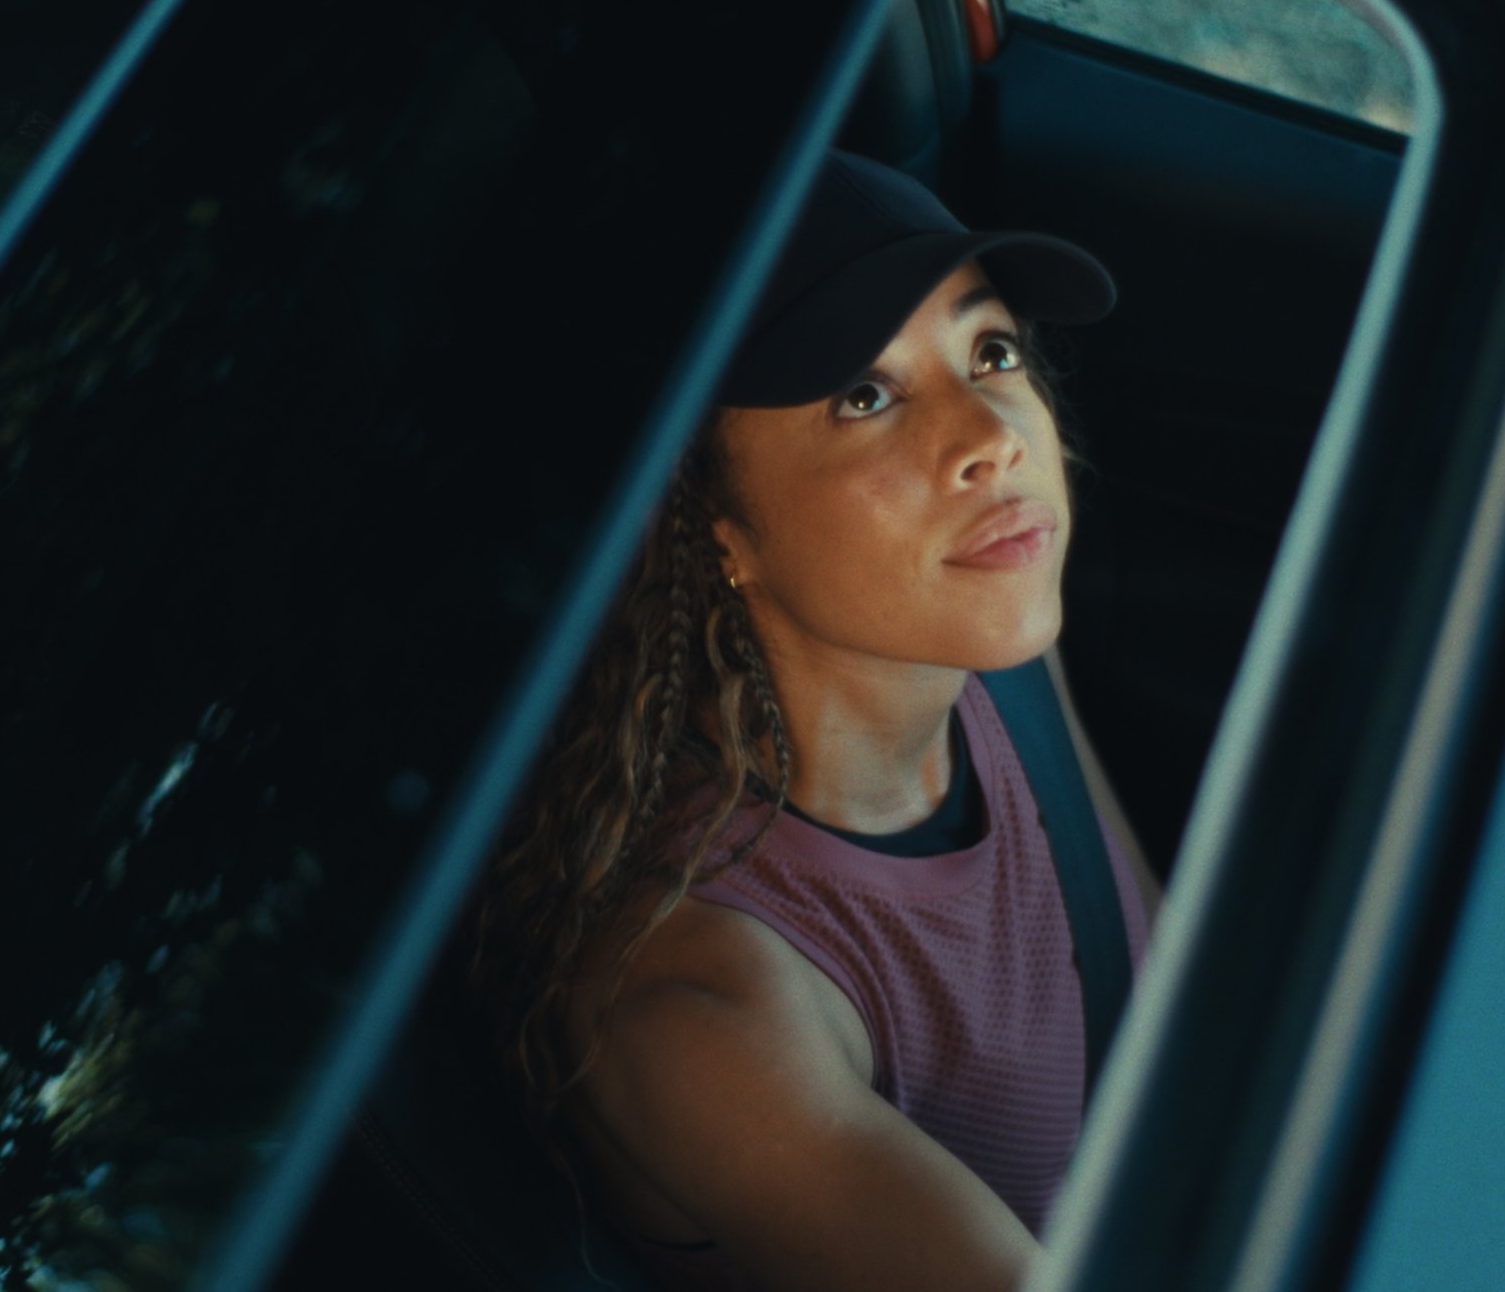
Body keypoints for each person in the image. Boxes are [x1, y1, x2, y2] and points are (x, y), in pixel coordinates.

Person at [476, 149, 1156, 1292]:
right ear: (712, 528)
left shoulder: (993, 659)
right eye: (865, 396)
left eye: (990, 350)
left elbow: (1172, 1009)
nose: (991, 433)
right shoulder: (699, 1007)